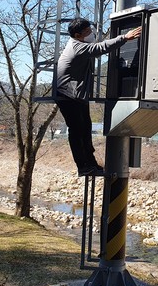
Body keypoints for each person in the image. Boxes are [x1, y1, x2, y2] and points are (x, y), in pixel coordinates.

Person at [56, 17, 141, 176]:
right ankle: (83, 167)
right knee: (77, 131)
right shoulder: (77, 47)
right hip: (67, 95)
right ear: (77, 34)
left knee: (85, 129)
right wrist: (124, 37)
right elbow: (99, 48)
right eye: (88, 32)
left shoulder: (80, 43)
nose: (91, 34)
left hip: (76, 95)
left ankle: (91, 164)